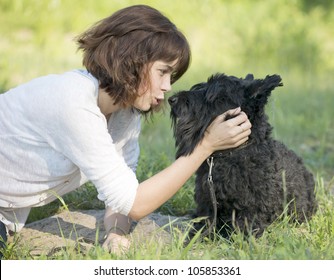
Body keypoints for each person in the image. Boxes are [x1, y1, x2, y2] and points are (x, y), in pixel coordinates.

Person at [0, 4, 251, 256]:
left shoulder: (125, 113)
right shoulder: (73, 101)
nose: (167, 87)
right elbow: (136, 204)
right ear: (131, 61)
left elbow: (120, 195)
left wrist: (116, 232)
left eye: (171, 76)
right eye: (162, 72)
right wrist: (204, 146)